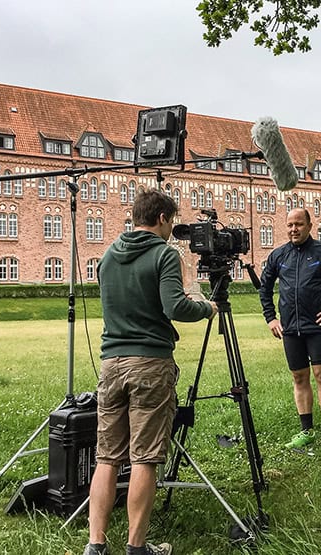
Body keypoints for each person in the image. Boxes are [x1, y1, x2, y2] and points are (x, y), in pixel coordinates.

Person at [84, 190, 217, 555]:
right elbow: (174, 307)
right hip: (149, 364)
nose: (171, 229)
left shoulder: (108, 256)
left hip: (111, 364)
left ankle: (96, 544)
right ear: (161, 218)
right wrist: (206, 308)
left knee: (107, 457)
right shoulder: (163, 254)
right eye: (171, 222)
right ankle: (137, 546)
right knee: (144, 457)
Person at [259, 208, 321, 454]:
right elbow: (264, 288)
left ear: (309, 226)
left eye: (299, 224)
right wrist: (271, 318)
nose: (294, 229)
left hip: (318, 326)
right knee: (299, 378)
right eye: (290, 225)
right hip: (290, 328)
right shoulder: (278, 255)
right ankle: (306, 431)